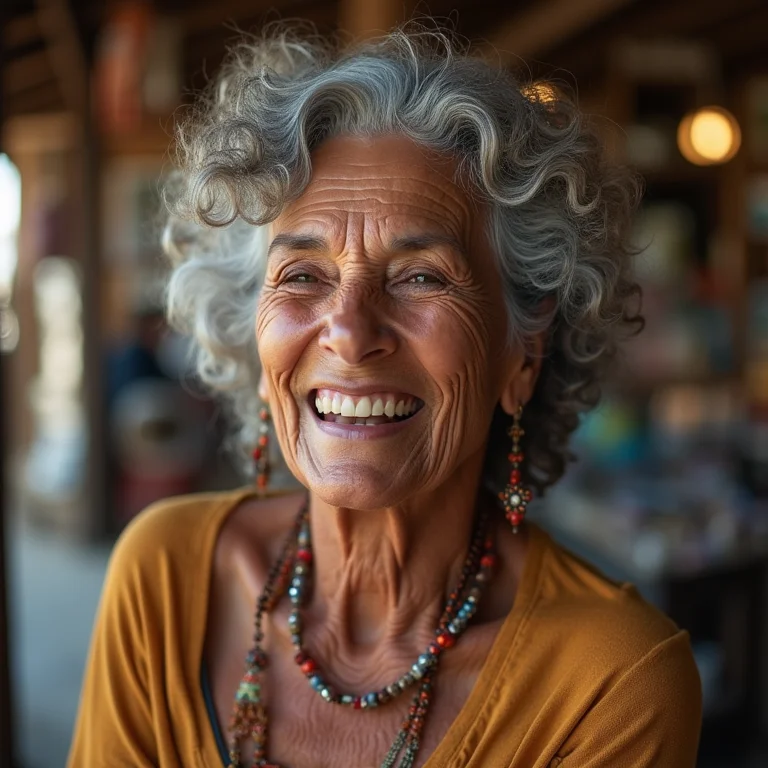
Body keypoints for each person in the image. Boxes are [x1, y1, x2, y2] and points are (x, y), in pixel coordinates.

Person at [68, 26, 702, 768]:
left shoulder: (611, 683)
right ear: (253, 338)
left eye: (421, 277)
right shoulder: (165, 577)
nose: (348, 332)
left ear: (524, 352)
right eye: (303, 276)